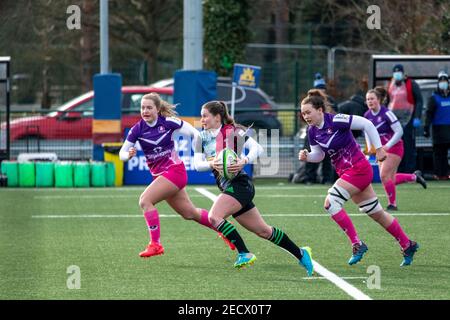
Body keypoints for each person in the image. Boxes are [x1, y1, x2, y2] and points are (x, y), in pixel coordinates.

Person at [299, 89, 419, 267]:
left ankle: (357, 243)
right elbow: (319, 155)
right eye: (303, 113)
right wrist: (307, 156)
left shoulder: (336, 120)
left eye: (308, 112)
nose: (306, 116)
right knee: (376, 213)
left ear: (320, 110)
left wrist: (378, 148)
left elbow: (367, 124)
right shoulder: (312, 131)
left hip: (358, 169)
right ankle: (407, 244)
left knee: (330, 203)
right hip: (347, 173)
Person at [194, 100, 313, 275]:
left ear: (217, 117)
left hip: (240, 185)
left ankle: (244, 253)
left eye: (205, 116)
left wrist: (243, 161)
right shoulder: (201, 138)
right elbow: (197, 165)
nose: (202, 119)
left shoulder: (233, 132)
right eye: (201, 116)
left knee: (214, 216)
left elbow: (257, 148)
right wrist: (215, 162)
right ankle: (301, 253)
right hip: (228, 187)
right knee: (264, 231)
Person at [119, 93, 235, 258]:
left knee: (145, 201)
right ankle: (225, 229)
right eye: (142, 107)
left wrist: (201, 150)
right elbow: (122, 153)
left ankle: (155, 244)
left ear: (158, 109)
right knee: (189, 213)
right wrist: (127, 155)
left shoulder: (168, 122)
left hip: (175, 171)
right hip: (162, 176)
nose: (145, 111)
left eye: (149, 107)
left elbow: (195, 134)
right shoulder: (137, 129)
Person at [364, 89, 427, 211]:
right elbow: (367, 132)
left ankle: (392, 204)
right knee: (389, 178)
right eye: (368, 99)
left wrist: (387, 145)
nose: (370, 101)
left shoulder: (387, 113)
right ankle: (414, 177)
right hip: (381, 150)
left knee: (383, 176)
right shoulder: (367, 115)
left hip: (395, 147)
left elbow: (399, 131)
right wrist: (369, 147)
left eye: (372, 98)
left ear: (379, 100)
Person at [301, 73, 337, 184]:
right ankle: (311, 178)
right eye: (319, 88)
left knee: (327, 157)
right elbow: (303, 116)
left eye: (322, 89)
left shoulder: (329, 101)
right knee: (311, 154)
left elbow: (335, 114)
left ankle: (326, 179)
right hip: (313, 132)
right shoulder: (308, 102)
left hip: (327, 132)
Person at [386, 64, 423, 173]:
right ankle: (398, 169)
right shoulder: (390, 85)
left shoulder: (411, 84)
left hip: (408, 119)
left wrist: (417, 117)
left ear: (403, 73)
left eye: (399, 72)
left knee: (408, 145)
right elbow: (388, 101)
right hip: (393, 121)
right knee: (395, 145)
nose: (397, 74)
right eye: (395, 72)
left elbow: (419, 101)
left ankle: (409, 170)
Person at [424, 71, 450, 180]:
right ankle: (439, 174)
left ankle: (447, 173)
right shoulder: (434, 98)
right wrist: (426, 128)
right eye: (441, 81)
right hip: (438, 129)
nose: (443, 83)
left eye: (445, 81)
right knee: (439, 153)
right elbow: (429, 114)